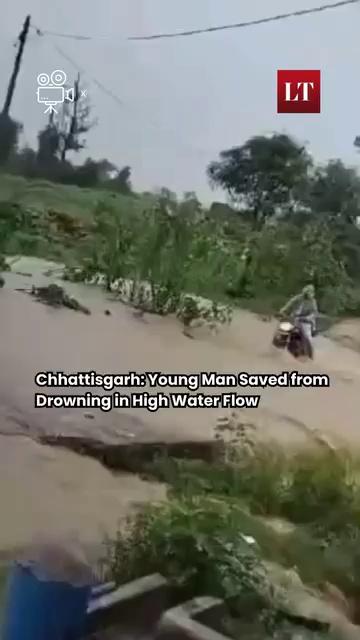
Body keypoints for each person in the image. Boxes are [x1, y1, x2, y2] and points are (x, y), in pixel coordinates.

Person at [279, 285, 318, 356]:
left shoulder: (313, 301)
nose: (306, 296)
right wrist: (283, 310)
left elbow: (314, 312)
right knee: (284, 329)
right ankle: (280, 346)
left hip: (306, 320)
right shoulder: (298, 298)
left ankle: (309, 353)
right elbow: (290, 304)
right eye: (305, 294)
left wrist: (308, 317)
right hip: (294, 318)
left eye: (308, 294)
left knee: (308, 337)